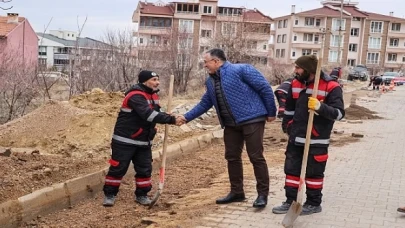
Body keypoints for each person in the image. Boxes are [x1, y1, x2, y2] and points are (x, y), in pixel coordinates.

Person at [182, 48, 277, 208]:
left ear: (216, 61)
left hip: (252, 119)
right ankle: (237, 192)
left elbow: (264, 88)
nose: (205, 65)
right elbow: (205, 103)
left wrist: (271, 112)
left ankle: (262, 195)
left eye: (206, 62)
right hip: (231, 124)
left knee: (256, 156)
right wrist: (186, 117)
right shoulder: (210, 81)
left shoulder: (241, 70)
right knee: (232, 157)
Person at [272, 55, 345, 215]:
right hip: (296, 137)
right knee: (291, 170)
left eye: (298, 67)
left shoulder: (331, 87)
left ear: (309, 70)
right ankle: (290, 201)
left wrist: (320, 107)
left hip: (317, 139)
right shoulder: (296, 84)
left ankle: (313, 203)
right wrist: (288, 126)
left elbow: (339, 114)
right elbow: (289, 109)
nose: (295, 70)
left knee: (314, 173)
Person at [102, 70, 184, 207]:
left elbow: (155, 113)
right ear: (144, 81)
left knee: (145, 169)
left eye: (157, 79)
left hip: (144, 140)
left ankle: (142, 194)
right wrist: (171, 120)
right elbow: (148, 115)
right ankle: (110, 194)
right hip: (125, 140)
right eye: (154, 80)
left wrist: (166, 115)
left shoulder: (153, 95)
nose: (157, 82)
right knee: (118, 168)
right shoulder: (135, 95)